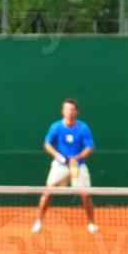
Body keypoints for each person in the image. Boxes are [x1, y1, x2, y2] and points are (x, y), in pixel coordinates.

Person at [31, 98, 95, 235]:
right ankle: (39, 221)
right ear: (62, 111)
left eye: (72, 109)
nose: (69, 112)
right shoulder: (56, 127)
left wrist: (77, 158)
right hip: (59, 165)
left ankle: (91, 223)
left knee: (86, 195)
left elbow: (90, 148)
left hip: (78, 165)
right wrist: (57, 155)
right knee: (48, 192)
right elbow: (47, 144)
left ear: (76, 112)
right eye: (66, 109)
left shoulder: (83, 128)